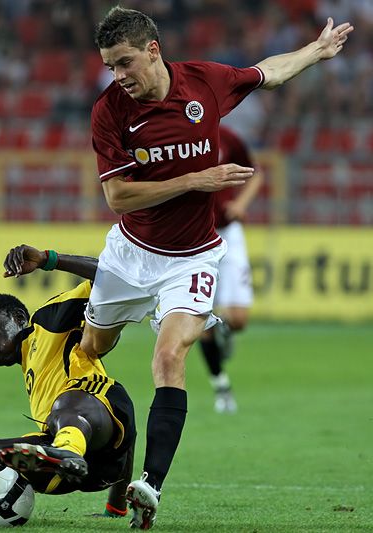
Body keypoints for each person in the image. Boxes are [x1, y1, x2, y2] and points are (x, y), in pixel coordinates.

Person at [74, 7, 353, 529]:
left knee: (169, 356)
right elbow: (117, 195)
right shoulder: (109, 110)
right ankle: (104, 442)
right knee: (91, 351)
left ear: (153, 50)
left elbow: (266, 73)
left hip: (195, 256)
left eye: (126, 63)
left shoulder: (203, 81)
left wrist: (315, 53)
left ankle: (149, 486)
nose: (120, 76)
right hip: (130, 253)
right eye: (111, 66)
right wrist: (195, 180)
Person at [0, 244, 136, 519]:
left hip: (99, 414)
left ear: (19, 318)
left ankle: (64, 451)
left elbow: (108, 274)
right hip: (88, 471)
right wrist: (116, 507)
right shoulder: (32, 370)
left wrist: (50, 260)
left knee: (65, 406)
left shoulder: (46, 320)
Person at [199, 125, 264, 414]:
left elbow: (255, 173)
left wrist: (240, 203)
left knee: (238, 320)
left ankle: (223, 328)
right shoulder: (173, 135)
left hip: (228, 232)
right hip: (194, 238)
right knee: (198, 318)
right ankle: (221, 386)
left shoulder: (227, 137)